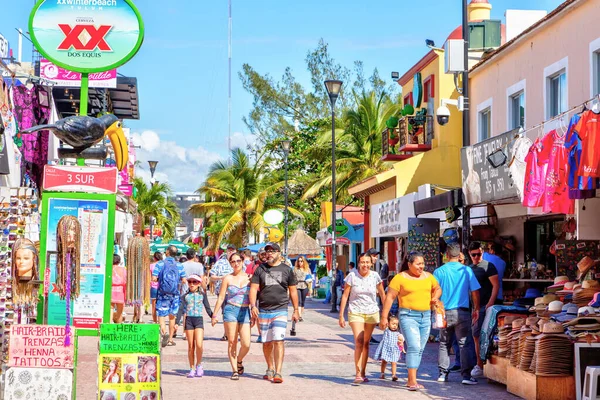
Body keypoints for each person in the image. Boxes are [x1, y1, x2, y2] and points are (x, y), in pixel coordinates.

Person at [381, 251, 441, 391]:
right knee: (413, 346)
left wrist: (435, 297)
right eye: (418, 264)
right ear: (409, 264)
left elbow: (437, 288)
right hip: (407, 316)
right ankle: (411, 380)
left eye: (422, 264)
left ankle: (412, 377)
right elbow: (390, 297)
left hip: (425, 316)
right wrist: (384, 317)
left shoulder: (429, 277)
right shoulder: (399, 278)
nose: (421, 266)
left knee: (419, 348)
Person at [249, 242, 299, 384]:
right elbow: (253, 289)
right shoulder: (260, 269)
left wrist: (296, 310)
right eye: (267, 251)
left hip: (281, 309)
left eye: (272, 251)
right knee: (267, 343)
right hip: (264, 310)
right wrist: (253, 306)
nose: (269, 254)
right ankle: (269, 367)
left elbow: (293, 290)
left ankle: (278, 371)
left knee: (278, 340)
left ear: (279, 253)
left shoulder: (287, 270)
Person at [434, 243, 481, 385]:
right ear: (459, 254)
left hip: (444, 312)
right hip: (462, 312)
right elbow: (475, 292)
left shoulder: (439, 271)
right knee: (464, 343)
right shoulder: (467, 270)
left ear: (447, 255)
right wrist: (477, 309)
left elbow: (434, 292)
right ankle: (466, 376)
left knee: (444, 343)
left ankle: (443, 374)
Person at [338, 252, 385, 385]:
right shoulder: (352, 276)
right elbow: (345, 296)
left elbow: (382, 294)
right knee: (359, 341)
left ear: (371, 263)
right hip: (355, 311)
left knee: (366, 343)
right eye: (362, 262)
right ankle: (358, 373)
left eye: (367, 262)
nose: (365, 265)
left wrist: (385, 315)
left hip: (372, 312)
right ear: (358, 263)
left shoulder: (375, 276)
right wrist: (341, 315)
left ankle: (363, 371)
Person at [212, 252, 252, 380]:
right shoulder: (227, 278)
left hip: (245, 311)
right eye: (233, 262)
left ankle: (239, 360)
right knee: (232, 341)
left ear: (242, 261)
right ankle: (234, 370)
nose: (236, 264)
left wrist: (255, 311)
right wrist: (214, 314)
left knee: (246, 343)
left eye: (238, 261)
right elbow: (221, 297)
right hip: (231, 310)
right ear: (230, 264)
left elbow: (254, 297)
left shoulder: (249, 278)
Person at [468, 241, 499, 378]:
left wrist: (490, 303)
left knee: (478, 335)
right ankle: (478, 363)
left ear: (482, 252)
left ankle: (480, 364)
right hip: (473, 306)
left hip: (483, 306)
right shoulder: (469, 268)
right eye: (473, 255)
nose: (476, 257)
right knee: (475, 335)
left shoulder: (488, 266)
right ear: (470, 254)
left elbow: (496, 286)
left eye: (479, 254)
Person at [152, 245, 187, 347]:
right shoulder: (179, 265)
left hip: (163, 294)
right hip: (175, 294)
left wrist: (160, 280)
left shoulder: (160, 264)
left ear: (167, 252)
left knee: (161, 315)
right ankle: (171, 339)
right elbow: (184, 280)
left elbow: (154, 278)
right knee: (172, 317)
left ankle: (164, 333)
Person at [182, 274, 213, 378]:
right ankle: (191, 368)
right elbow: (180, 310)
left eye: (194, 282)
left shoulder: (202, 295)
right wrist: (176, 323)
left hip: (199, 320)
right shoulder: (185, 296)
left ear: (199, 283)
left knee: (199, 344)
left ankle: (199, 364)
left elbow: (208, 308)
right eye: (189, 282)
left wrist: (213, 316)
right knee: (191, 346)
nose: (191, 284)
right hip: (189, 320)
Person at [175, 248, 206, 338]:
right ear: (194, 256)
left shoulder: (181, 265)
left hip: (185, 289)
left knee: (185, 311)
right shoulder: (199, 266)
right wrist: (203, 289)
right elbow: (202, 278)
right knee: (190, 311)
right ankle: (186, 331)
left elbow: (179, 279)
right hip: (197, 290)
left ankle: (185, 331)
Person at [210, 244, 235, 341]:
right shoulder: (220, 262)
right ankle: (227, 333)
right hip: (223, 292)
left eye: (232, 250)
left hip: (235, 292)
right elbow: (212, 276)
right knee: (225, 312)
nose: (231, 252)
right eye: (229, 250)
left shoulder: (238, 261)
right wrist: (221, 278)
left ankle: (232, 332)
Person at [374, 315, 405, 381]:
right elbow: (381, 325)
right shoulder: (386, 330)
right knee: (384, 361)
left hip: (394, 349)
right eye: (393, 324)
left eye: (396, 324)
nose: (394, 326)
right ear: (388, 324)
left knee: (394, 362)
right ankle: (382, 373)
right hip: (386, 348)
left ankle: (394, 375)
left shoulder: (398, 333)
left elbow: (401, 340)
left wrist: (401, 341)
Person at [293, 256, 312, 321]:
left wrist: (310, 288)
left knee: (303, 302)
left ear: (304, 262)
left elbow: (310, 279)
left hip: (305, 285)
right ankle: (300, 316)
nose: (300, 262)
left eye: (301, 261)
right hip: (297, 285)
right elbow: (292, 278)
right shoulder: (295, 269)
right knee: (299, 301)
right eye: (299, 261)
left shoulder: (307, 269)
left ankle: (300, 314)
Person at [111, 254, 126, 324]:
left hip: (110, 290)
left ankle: (109, 324)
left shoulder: (108, 269)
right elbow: (126, 281)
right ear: (119, 261)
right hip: (121, 291)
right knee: (120, 311)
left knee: (110, 309)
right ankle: (118, 325)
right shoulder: (123, 270)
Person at [149, 252, 162, 323]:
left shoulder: (151, 266)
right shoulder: (163, 265)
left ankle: (155, 321)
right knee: (160, 305)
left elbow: (149, 277)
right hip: (161, 287)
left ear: (154, 258)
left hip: (153, 286)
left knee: (153, 305)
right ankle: (160, 321)